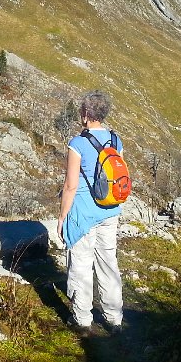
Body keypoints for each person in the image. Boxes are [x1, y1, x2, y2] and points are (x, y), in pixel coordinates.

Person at [58, 90, 124, 334]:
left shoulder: (77, 143)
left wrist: (62, 217)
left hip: (83, 214)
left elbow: (70, 186)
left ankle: (82, 319)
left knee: (81, 265)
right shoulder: (116, 140)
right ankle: (114, 318)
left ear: (86, 113)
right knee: (108, 263)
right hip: (110, 210)